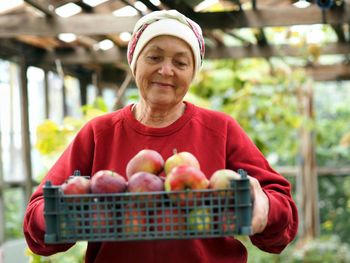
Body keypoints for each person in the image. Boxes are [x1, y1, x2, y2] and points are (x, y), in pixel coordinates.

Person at [23, 9, 298, 263]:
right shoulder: (99, 133)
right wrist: (63, 212)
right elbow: (36, 223)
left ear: (192, 73)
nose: (166, 70)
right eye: (154, 57)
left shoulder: (221, 129)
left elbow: (283, 220)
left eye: (180, 62)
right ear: (135, 63)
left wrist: (264, 206)